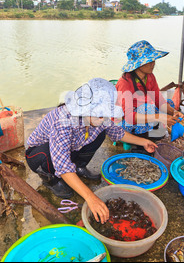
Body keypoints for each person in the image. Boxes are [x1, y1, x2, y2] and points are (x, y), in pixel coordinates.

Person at [25, 78, 158, 224]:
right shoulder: (63, 120)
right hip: (38, 155)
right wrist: (90, 197)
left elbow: (117, 133)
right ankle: (51, 180)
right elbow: (62, 164)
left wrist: (144, 142)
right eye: (100, 115)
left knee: (100, 133)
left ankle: (79, 167)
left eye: (105, 114)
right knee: (50, 156)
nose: (103, 119)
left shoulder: (98, 118)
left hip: (69, 149)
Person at [115, 40, 184, 144]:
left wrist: (174, 112)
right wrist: (159, 117)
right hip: (123, 121)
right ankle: (140, 138)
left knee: (169, 103)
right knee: (149, 109)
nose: (153, 64)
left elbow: (158, 100)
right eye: (149, 61)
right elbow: (129, 116)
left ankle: (151, 130)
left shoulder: (150, 77)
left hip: (142, 111)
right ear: (138, 64)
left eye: (153, 60)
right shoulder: (125, 82)